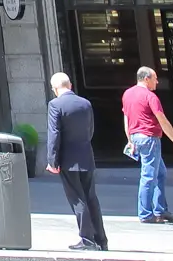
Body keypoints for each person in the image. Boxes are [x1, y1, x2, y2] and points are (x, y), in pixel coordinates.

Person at [46, 72, 107, 252]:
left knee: (77, 198)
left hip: (67, 159)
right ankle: (101, 239)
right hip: (86, 155)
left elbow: (54, 134)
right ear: (70, 85)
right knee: (91, 197)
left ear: (55, 89)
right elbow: (90, 130)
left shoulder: (55, 105)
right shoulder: (85, 103)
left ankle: (87, 239)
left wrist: (52, 160)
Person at [122, 66, 173, 222]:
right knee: (148, 176)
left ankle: (160, 209)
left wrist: (130, 139)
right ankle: (146, 214)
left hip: (137, 136)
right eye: (155, 78)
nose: (157, 81)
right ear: (146, 79)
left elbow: (126, 118)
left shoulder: (128, 94)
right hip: (149, 138)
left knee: (160, 173)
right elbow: (162, 120)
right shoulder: (150, 97)